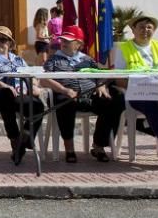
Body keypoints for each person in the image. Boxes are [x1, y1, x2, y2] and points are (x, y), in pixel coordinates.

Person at [110, 14, 158, 167]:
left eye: (149, 27)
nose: (145, 30)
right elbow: (118, 78)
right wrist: (138, 85)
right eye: (141, 27)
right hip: (139, 94)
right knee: (152, 105)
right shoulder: (124, 48)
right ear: (133, 30)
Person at [41, 25, 125, 163]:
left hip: (90, 95)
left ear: (78, 44)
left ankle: (99, 145)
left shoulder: (88, 60)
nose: (64, 43)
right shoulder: (53, 59)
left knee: (115, 100)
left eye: (68, 41)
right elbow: (44, 80)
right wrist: (64, 90)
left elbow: (100, 75)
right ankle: (69, 148)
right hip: (66, 95)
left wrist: (102, 86)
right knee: (64, 101)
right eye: (63, 40)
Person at [0, 25, 45, 164]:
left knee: (38, 105)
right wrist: (4, 85)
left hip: (18, 94)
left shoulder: (18, 60)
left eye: (3, 39)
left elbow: (31, 76)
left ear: (10, 43)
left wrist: (34, 87)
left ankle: (24, 139)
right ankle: (15, 137)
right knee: (7, 94)